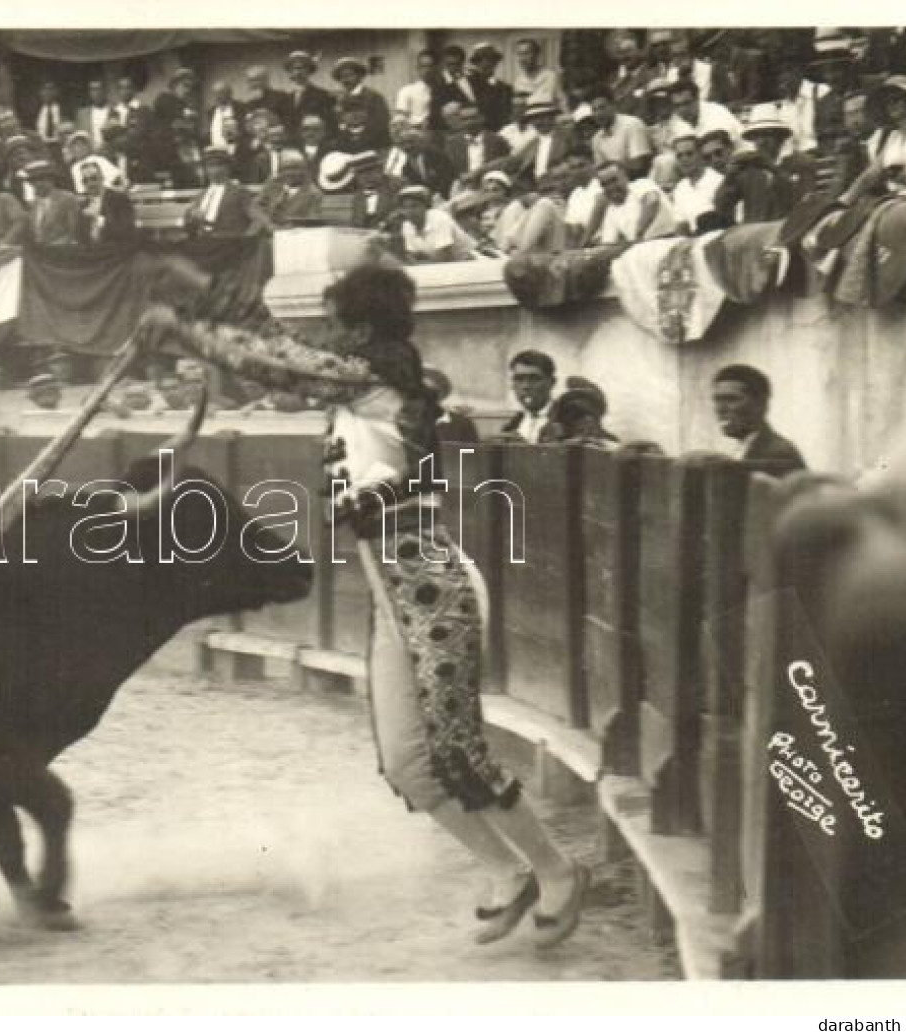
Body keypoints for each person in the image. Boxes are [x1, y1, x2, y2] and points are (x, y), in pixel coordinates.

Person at [139, 264, 590, 948]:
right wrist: (205, 299)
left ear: (359, 327)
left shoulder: (383, 380)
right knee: (409, 765)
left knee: (458, 753)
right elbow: (280, 346)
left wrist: (185, 331)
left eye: (336, 324)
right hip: (392, 591)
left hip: (432, 585)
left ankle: (557, 874)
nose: (327, 337)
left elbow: (285, 362)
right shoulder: (360, 383)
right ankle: (508, 870)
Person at [711, 364, 806, 474]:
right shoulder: (747, 449)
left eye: (731, 399)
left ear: (760, 404)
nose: (720, 409)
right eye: (717, 400)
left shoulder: (778, 455)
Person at [183, 148, 262, 238]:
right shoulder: (201, 195)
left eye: (220, 165)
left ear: (228, 168)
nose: (215, 170)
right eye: (210, 166)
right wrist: (192, 219)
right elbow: (189, 229)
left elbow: (258, 220)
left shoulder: (239, 192)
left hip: (230, 243)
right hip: (205, 243)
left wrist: (245, 241)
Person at [591, 160, 675, 245]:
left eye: (614, 180)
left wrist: (638, 234)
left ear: (625, 176)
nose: (610, 187)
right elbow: (608, 244)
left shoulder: (641, 184)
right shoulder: (611, 209)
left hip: (670, 241)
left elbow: (652, 201)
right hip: (646, 248)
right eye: (605, 184)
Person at [391, 184, 475, 263]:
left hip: (473, 262)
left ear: (426, 207)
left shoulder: (439, 218)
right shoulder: (407, 226)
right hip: (444, 268)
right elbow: (412, 256)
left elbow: (443, 258)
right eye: (405, 207)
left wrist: (419, 262)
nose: (409, 211)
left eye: (415, 206)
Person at [587, 90, 652, 180]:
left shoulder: (631, 124)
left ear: (614, 106)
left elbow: (640, 166)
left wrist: (614, 166)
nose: (598, 113)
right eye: (594, 110)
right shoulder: (596, 139)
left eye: (602, 107)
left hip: (645, 179)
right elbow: (602, 171)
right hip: (618, 184)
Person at [251, 148, 323, 228]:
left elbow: (310, 223)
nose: (290, 173)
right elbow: (255, 206)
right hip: (266, 231)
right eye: (286, 169)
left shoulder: (313, 194)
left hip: (293, 234)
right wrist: (266, 222)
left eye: (296, 169)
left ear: (304, 171)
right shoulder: (273, 184)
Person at [669, 134, 723, 234]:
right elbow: (682, 225)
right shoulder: (681, 188)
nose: (684, 159)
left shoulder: (718, 181)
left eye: (689, 154)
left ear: (700, 155)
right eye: (679, 156)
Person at [501, 350, 558, 442]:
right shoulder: (512, 426)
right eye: (519, 379)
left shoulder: (566, 420)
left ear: (552, 382)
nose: (525, 386)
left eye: (534, 379)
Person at [21, 161, 81, 247]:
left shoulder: (67, 198)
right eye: (33, 181)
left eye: (42, 179)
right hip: (40, 253)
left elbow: (75, 231)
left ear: (51, 179)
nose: (37, 184)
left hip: (63, 251)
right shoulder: (34, 204)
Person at [284, 51, 337, 144]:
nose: (298, 72)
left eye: (301, 68)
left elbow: (330, 123)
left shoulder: (322, 95)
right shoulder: (286, 97)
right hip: (293, 145)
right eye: (293, 69)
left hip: (315, 143)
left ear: (309, 71)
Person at [77, 161, 136, 245]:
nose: (90, 183)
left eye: (94, 178)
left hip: (115, 248)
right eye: (85, 180)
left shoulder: (119, 198)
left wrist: (98, 218)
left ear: (102, 178)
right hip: (90, 251)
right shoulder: (83, 203)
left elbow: (126, 230)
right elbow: (80, 235)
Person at [423, 368, 480, 447]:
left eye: (429, 392)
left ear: (440, 394)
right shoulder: (406, 424)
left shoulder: (462, 424)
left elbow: (473, 456)